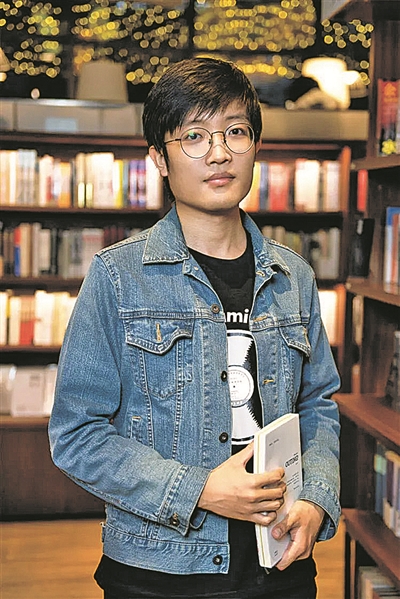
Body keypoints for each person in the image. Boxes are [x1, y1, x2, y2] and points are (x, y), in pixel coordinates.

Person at [49, 56, 341, 599]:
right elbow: (77, 435)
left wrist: (316, 497)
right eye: (194, 136)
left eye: (236, 131)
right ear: (159, 158)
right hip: (158, 571)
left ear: (255, 146)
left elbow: (318, 404)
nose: (219, 152)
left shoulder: (293, 276)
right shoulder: (118, 277)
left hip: (280, 562)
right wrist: (200, 489)